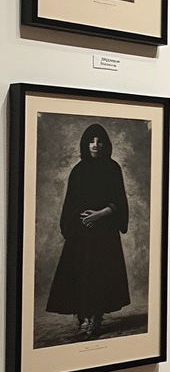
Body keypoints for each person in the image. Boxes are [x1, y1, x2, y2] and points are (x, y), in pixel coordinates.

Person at [46, 123, 131, 339]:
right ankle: (82, 316)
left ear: (106, 144)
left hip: (105, 233)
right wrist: (80, 220)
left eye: (99, 140)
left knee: (100, 274)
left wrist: (100, 215)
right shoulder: (78, 170)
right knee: (82, 274)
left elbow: (119, 201)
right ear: (85, 144)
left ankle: (97, 317)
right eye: (91, 141)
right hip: (81, 233)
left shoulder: (113, 168)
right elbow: (70, 203)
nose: (95, 145)